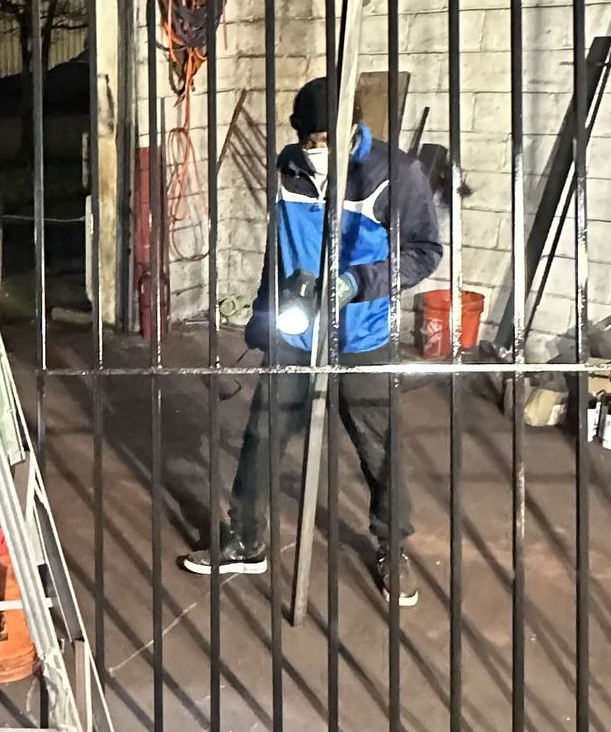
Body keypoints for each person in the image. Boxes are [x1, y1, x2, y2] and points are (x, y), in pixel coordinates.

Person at [184, 76, 440, 606]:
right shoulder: (290, 169)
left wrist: (358, 282)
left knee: (380, 448)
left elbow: (424, 252)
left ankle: (394, 546)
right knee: (263, 433)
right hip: (298, 329)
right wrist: (262, 308)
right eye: (305, 137)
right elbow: (276, 250)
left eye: (321, 138)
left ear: (349, 129)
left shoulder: (396, 173)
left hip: (361, 331)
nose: (312, 148)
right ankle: (247, 538)